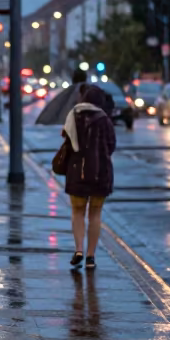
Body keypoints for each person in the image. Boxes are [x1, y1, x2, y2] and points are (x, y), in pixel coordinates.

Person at [60, 83, 116, 270]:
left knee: (77, 212)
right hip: (101, 172)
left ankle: (78, 249)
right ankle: (91, 256)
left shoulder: (72, 117)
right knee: (95, 214)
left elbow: (67, 143)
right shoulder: (104, 119)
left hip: (77, 172)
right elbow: (111, 145)